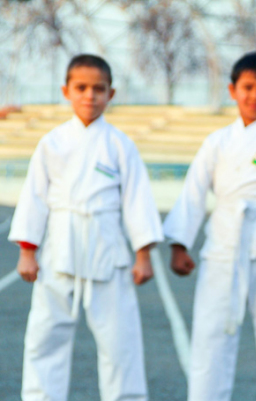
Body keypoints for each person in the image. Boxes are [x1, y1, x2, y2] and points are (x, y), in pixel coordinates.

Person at [162, 51, 256, 401]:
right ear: (232, 90)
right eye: (247, 87)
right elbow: (193, 193)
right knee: (210, 336)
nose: (255, 95)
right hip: (223, 244)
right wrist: (179, 246)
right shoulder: (216, 142)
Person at [8, 54, 163, 401]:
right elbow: (34, 197)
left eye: (98, 88)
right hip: (59, 249)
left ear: (111, 93)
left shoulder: (121, 144)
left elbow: (137, 200)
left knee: (120, 343)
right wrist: (28, 253)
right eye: (81, 87)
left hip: (107, 249)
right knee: (45, 338)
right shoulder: (52, 142)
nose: (89, 95)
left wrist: (143, 255)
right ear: (66, 90)